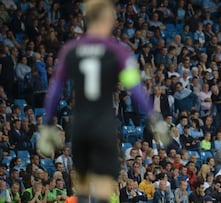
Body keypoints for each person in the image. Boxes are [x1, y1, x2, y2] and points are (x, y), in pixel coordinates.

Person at [38, 1, 151, 202]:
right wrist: (153, 117)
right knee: (103, 192)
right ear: (106, 19)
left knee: (81, 191)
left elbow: (55, 89)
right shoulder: (117, 51)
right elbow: (135, 90)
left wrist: (47, 124)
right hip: (103, 125)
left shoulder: (71, 49)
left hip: (80, 124)